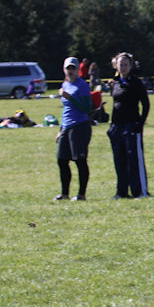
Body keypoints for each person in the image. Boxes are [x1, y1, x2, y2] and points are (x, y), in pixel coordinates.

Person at [108, 52, 150, 198]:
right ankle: (121, 192)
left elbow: (146, 104)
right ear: (116, 66)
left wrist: (140, 123)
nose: (123, 67)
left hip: (131, 125)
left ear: (130, 66)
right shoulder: (115, 83)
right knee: (119, 160)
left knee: (134, 160)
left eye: (126, 64)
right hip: (117, 127)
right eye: (121, 64)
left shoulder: (136, 83)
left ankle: (139, 191)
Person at [56, 57, 92, 201]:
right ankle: (64, 194)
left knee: (79, 160)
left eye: (73, 68)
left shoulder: (82, 85)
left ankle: (81, 194)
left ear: (78, 70)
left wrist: (70, 98)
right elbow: (65, 110)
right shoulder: (65, 85)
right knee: (62, 160)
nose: (70, 71)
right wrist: (60, 129)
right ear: (64, 70)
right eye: (68, 68)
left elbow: (87, 108)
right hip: (67, 126)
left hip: (80, 126)